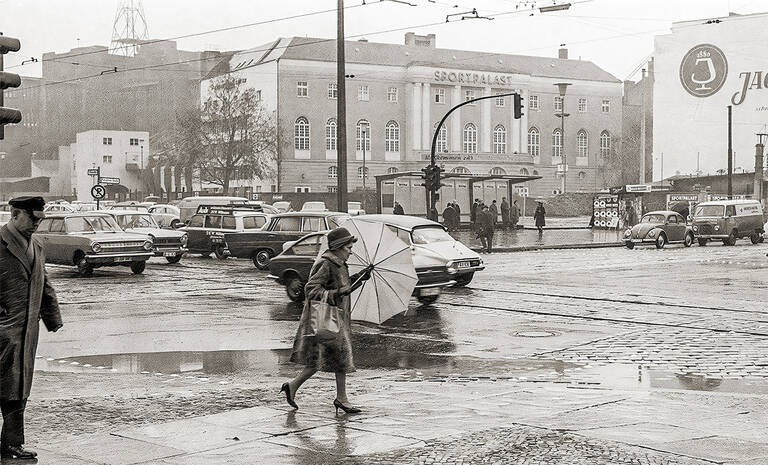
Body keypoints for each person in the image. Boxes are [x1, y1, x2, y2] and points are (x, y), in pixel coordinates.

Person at [0, 196, 63, 461]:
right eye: (32, 218)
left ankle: (12, 444)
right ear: (15, 214)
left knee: (19, 387)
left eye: (40, 218)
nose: (37, 224)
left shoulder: (37, 245)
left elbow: (43, 282)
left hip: (27, 331)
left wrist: (52, 317)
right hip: (3, 329)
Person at [282, 227, 371, 414]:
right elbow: (311, 289)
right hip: (327, 318)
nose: (351, 251)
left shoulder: (339, 263)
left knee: (326, 359)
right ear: (338, 247)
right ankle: (341, 398)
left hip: (336, 318)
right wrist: (338, 293)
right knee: (337, 357)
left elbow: (342, 287)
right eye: (348, 247)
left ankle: (294, 387)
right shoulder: (327, 263)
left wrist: (359, 277)